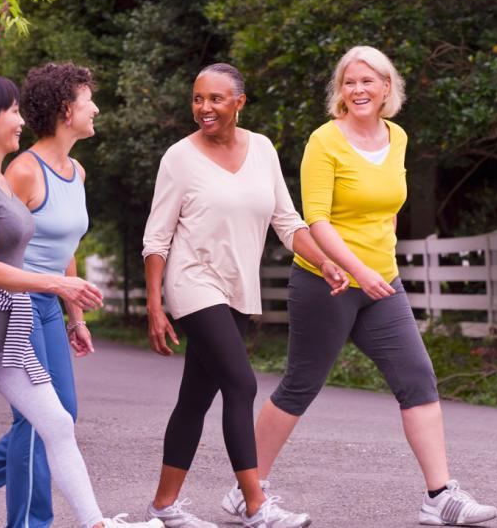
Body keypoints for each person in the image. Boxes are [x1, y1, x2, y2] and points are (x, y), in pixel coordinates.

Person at [218, 46, 497, 527]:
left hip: (381, 283)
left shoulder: (399, 137)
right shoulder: (324, 142)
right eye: (350, 82)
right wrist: (356, 270)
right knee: (301, 384)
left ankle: (440, 496)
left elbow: (387, 205)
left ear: (387, 87)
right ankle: (249, 491)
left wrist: (379, 262)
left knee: (417, 377)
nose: (359, 90)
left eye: (369, 81)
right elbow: (317, 221)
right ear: (339, 91)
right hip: (326, 283)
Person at [0, 72, 161, 528]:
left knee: (58, 424)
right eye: (12, 111)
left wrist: (69, 307)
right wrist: (59, 287)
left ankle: (95, 523)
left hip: (10, 332)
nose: (22, 120)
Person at [141, 63, 349, 528]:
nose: (204, 108)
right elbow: (156, 239)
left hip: (237, 288)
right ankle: (255, 503)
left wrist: (326, 261)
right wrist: (155, 306)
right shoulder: (179, 157)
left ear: (239, 101)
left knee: (195, 398)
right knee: (242, 383)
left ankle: (163, 506)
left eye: (215, 98)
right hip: (192, 282)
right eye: (197, 98)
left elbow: (288, 222)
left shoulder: (262, 149)